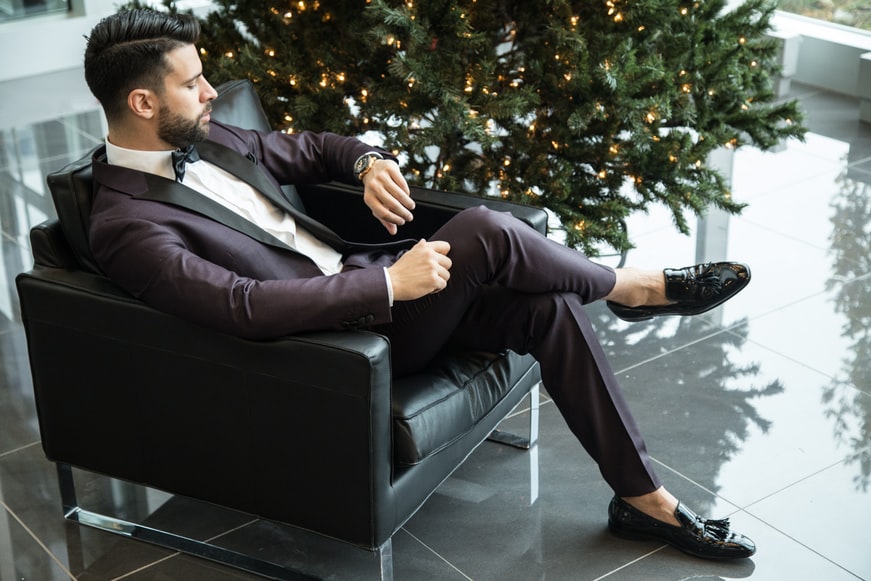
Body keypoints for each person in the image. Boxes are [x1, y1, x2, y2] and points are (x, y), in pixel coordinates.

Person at [82, 8, 756, 561]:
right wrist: (385, 288)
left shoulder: (208, 137)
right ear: (142, 102)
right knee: (483, 230)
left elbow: (314, 149)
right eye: (193, 83)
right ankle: (630, 287)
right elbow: (242, 306)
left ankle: (641, 498)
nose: (210, 93)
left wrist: (368, 160)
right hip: (343, 344)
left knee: (548, 306)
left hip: (381, 288)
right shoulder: (126, 223)